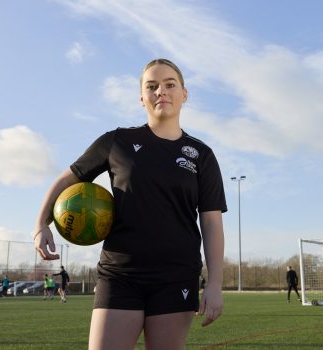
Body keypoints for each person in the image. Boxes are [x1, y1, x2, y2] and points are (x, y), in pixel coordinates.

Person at [33, 58, 227, 350]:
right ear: (142, 98)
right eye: (152, 86)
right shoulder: (117, 142)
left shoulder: (202, 155)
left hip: (176, 276)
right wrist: (41, 224)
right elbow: (66, 179)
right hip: (120, 273)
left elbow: (211, 223)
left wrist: (214, 284)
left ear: (184, 94)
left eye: (169, 84)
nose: (161, 91)